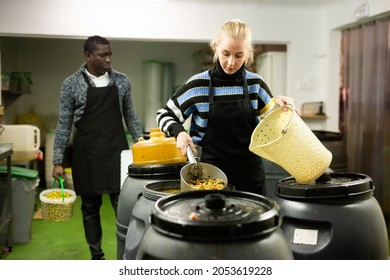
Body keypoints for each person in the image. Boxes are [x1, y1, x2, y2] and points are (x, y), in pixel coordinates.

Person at [156, 19, 294, 195]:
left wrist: (281, 106)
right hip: (210, 176)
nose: (231, 62)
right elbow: (164, 114)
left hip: (250, 178)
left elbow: (273, 123)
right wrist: (179, 132)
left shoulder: (255, 84)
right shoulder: (198, 85)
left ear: (248, 54)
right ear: (216, 48)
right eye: (225, 53)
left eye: (239, 55)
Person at [52, 35, 143, 260]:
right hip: (87, 155)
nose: (109, 59)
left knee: (124, 205)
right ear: (88, 56)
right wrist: (57, 160)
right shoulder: (71, 84)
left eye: (110, 54)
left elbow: (131, 116)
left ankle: (129, 256)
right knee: (90, 209)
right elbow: (63, 123)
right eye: (103, 55)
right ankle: (97, 257)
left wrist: (141, 143)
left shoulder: (122, 81)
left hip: (116, 154)